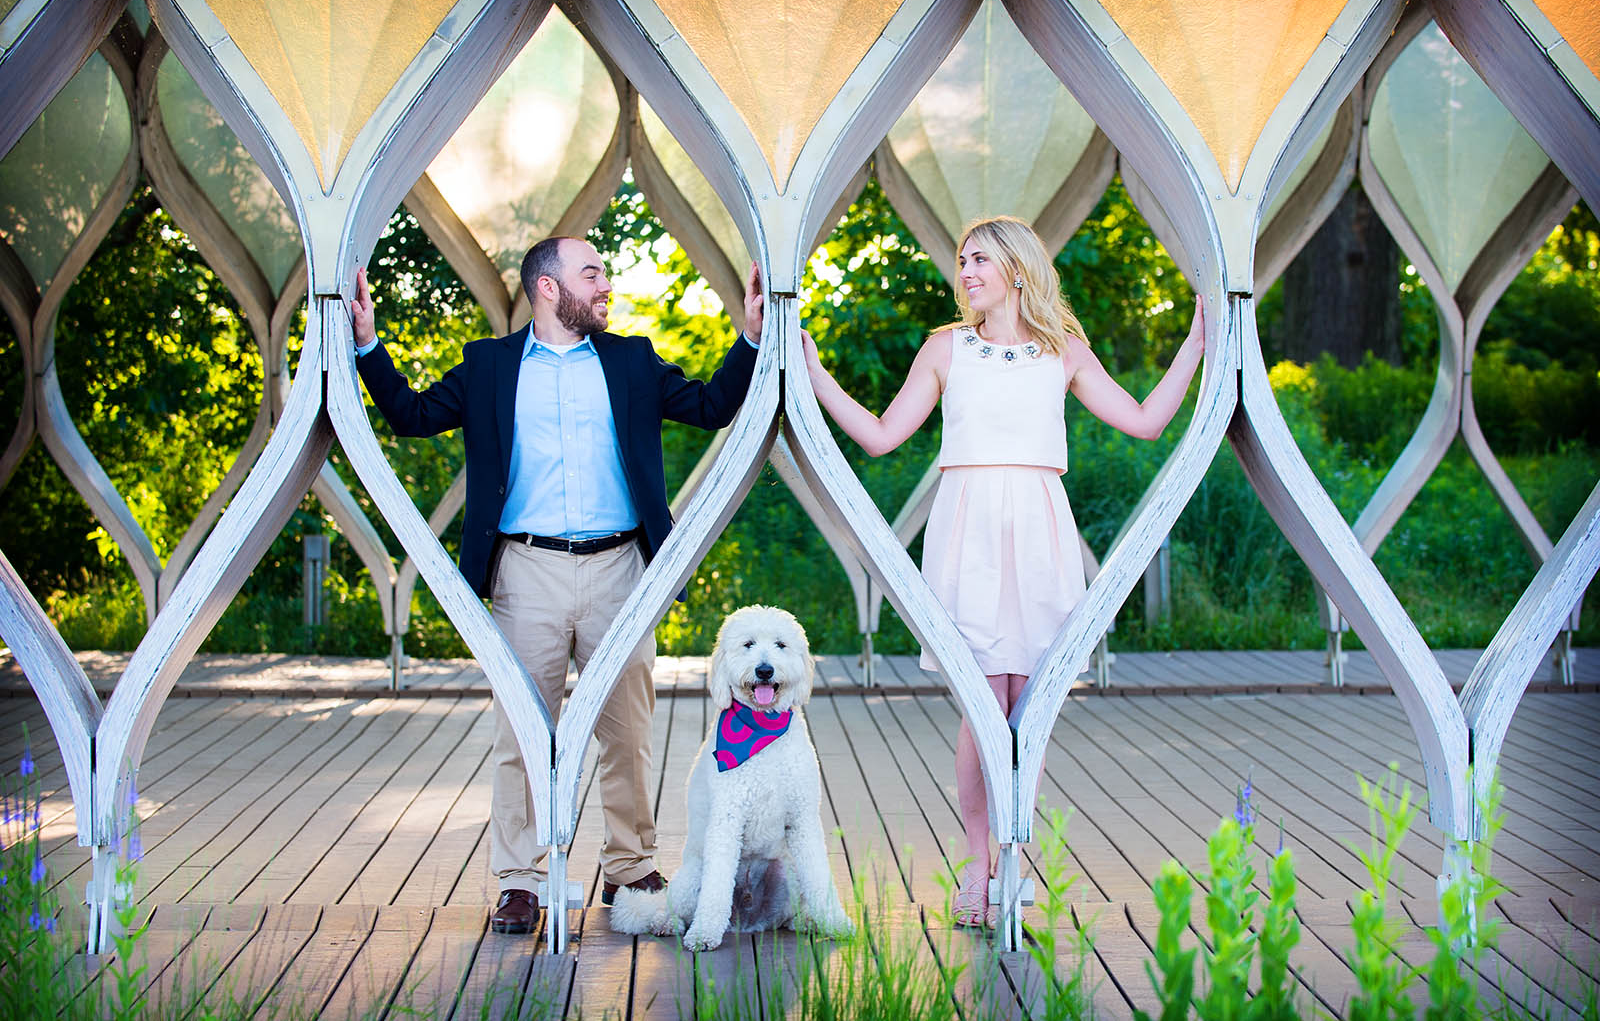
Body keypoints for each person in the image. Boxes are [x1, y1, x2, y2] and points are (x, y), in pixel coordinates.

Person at [351, 236, 765, 934]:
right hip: (526, 571)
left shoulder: (632, 361)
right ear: (549, 287)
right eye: (593, 273)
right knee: (522, 731)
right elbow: (411, 417)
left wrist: (751, 337)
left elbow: (711, 405)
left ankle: (630, 866)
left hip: (621, 570)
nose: (606, 285)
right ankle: (521, 880)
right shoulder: (487, 367)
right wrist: (367, 346)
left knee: (627, 730)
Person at [800, 216, 1203, 928]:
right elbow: (881, 436)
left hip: (1042, 529)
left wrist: (1199, 344)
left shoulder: (1064, 352)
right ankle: (979, 865)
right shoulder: (945, 349)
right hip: (969, 531)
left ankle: (1016, 856)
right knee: (983, 704)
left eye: (980, 258)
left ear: (1017, 269)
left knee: (1032, 706)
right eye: (962, 260)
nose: (967, 271)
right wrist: (814, 373)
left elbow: (1143, 421)